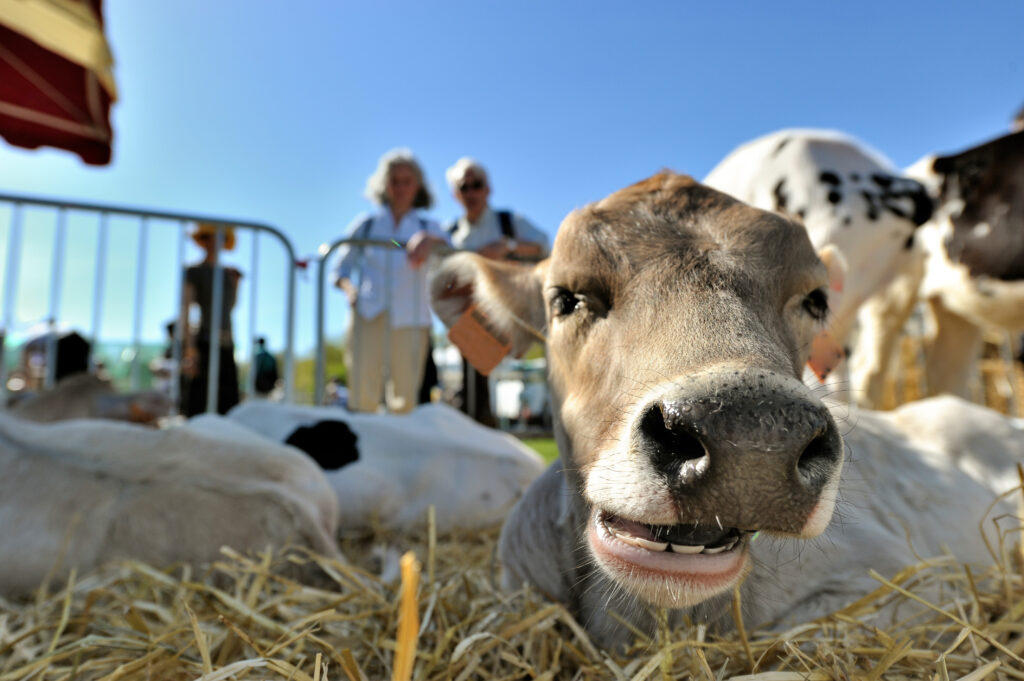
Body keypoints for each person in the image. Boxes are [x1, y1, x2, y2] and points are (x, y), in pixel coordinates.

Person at [334, 148, 449, 414]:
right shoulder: (366, 225)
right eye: (394, 181)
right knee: (363, 395)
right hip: (367, 314)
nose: (400, 188)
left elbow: (452, 256)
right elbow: (340, 268)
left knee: (405, 399)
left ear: (417, 185)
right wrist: (349, 290)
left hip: (411, 318)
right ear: (384, 185)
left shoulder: (429, 226)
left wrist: (432, 242)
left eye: (406, 181)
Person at [444, 157, 550, 426]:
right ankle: (478, 420)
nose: (471, 192)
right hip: (469, 316)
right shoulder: (451, 232)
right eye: (463, 187)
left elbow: (544, 244)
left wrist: (508, 247)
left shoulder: (507, 221)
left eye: (476, 185)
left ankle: (480, 419)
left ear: (487, 189)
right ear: (456, 194)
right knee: (472, 361)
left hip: (512, 313)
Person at [180, 223, 241, 416]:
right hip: (204, 341)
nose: (215, 242)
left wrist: (236, 285)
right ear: (203, 241)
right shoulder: (193, 270)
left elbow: (230, 307)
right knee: (198, 402)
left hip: (227, 343)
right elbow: (185, 309)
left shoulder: (228, 273)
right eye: (210, 237)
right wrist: (190, 348)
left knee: (228, 404)